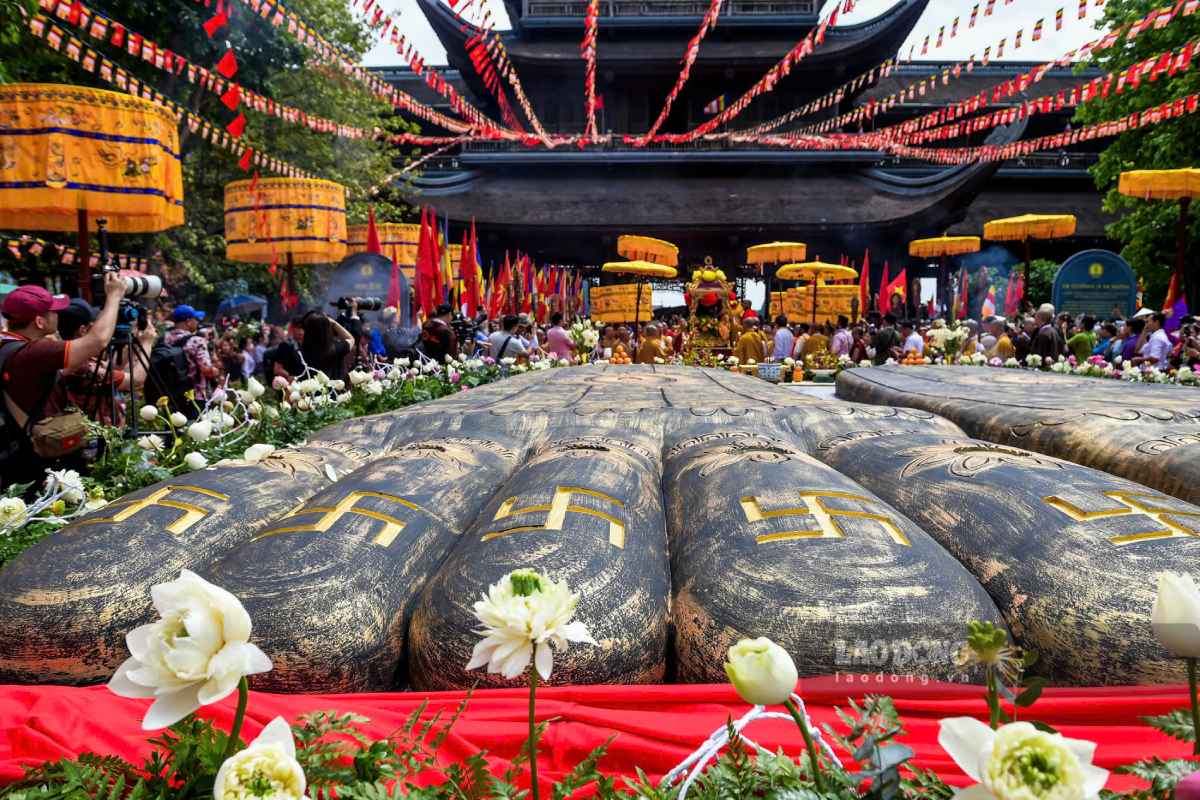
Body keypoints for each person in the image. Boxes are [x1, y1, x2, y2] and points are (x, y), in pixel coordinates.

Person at [0, 276, 125, 484]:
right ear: (40, 321)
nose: (58, 315)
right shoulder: (34, 351)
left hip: (15, 453)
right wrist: (114, 296)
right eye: (53, 312)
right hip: (39, 460)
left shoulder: (7, 346)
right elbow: (98, 340)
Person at [164, 304, 218, 402]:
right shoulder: (196, 341)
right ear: (188, 322)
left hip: (171, 396)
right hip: (195, 396)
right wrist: (216, 370)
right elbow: (206, 369)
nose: (197, 322)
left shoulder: (164, 339)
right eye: (196, 319)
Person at [300, 309, 355, 381]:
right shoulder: (335, 349)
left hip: (309, 390)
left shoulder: (300, 353)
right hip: (334, 390)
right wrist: (334, 323)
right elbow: (351, 339)